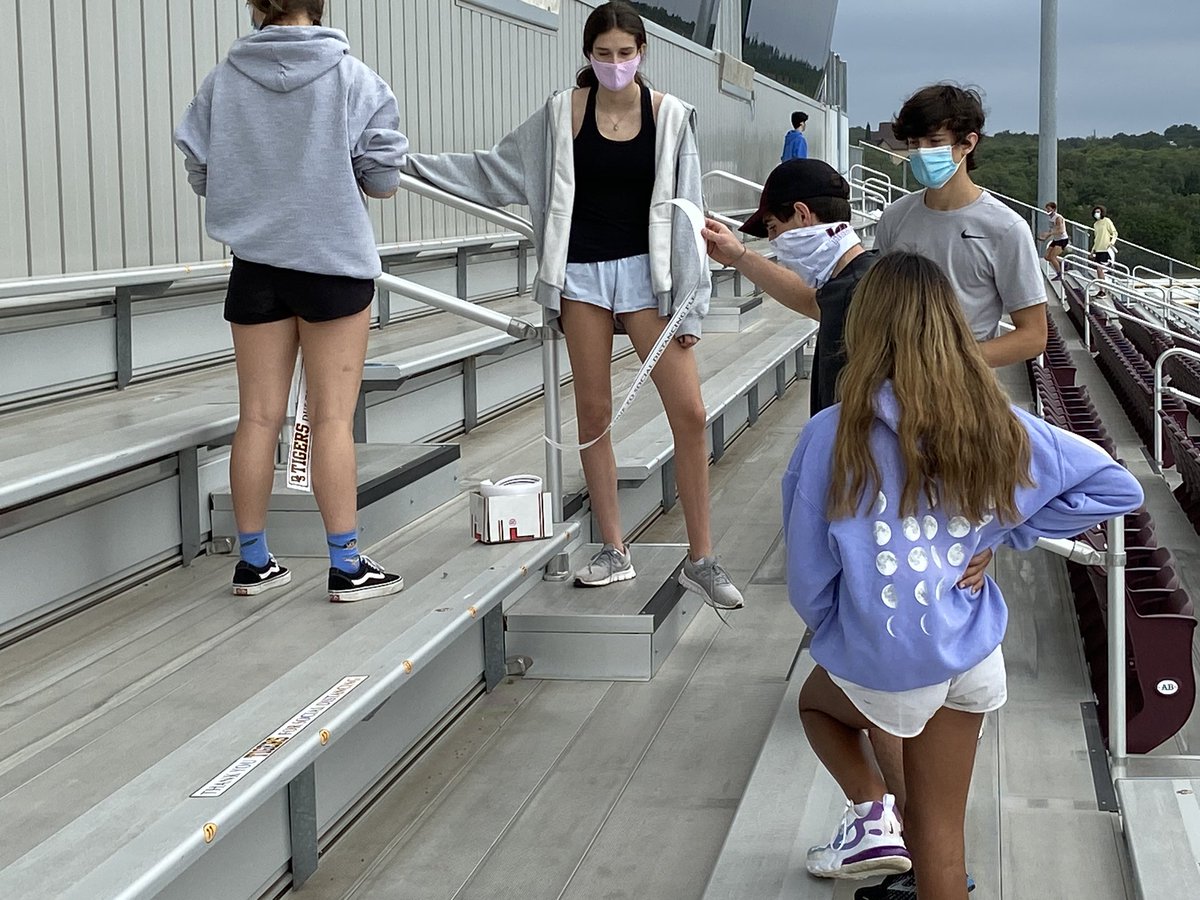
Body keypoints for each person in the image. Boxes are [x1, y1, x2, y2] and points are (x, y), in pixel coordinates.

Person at [782, 250, 1144, 898]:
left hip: (887, 657)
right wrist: (1008, 530)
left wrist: (838, 630)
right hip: (971, 656)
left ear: (863, 331)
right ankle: (890, 832)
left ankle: (871, 817)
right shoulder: (993, 425)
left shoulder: (830, 435)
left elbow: (809, 575)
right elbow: (1116, 486)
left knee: (816, 703)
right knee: (944, 842)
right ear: (951, 328)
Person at [399, 1, 742, 610]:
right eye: (604, 54)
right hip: (580, 275)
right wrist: (402, 163)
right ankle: (614, 548)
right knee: (594, 416)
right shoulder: (562, 114)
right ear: (588, 56)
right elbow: (493, 169)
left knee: (688, 412)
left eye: (626, 53)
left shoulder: (671, 117)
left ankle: (702, 557)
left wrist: (693, 305)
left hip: (651, 279)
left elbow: (689, 213)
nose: (615, 65)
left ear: (643, 54)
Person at [174, 0, 408, 602]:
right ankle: (346, 565)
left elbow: (200, 167)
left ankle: (252, 560)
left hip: (255, 265)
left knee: (256, 417)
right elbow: (383, 177)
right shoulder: (353, 77)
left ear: (256, 6)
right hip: (332, 264)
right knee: (330, 419)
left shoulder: (222, 80)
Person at [875, 85, 1047, 367]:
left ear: (967, 143)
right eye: (913, 143)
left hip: (964, 394)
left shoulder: (1005, 229)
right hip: (896, 385)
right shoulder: (895, 217)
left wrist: (951, 362)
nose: (921, 152)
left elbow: (1033, 335)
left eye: (934, 141)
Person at [702, 159, 872, 417]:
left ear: (802, 214)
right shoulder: (855, 284)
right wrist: (739, 256)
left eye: (773, 228)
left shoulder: (861, 292)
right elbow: (810, 301)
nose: (773, 241)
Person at [1038, 200, 1069, 281]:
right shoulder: (1050, 218)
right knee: (1047, 257)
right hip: (1056, 239)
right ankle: (1063, 263)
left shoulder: (1058, 218)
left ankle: (1059, 274)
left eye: (1049, 209)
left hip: (1062, 239)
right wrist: (1045, 237)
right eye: (1047, 209)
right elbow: (1051, 230)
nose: (1047, 211)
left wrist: (1049, 234)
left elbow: (1061, 231)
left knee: (1052, 257)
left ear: (1054, 209)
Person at [1090, 204, 1119, 288]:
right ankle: (1101, 289)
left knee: (1100, 269)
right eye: (1095, 212)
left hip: (1105, 249)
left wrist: (1112, 242)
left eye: (1098, 212)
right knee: (1099, 270)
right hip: (1098, 249)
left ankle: (1103, 289)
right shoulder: (1095, 224)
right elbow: (1096, 238)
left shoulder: (1107, 221)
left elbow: (1114, 233)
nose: (1097, 213)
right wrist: (1092, 250)